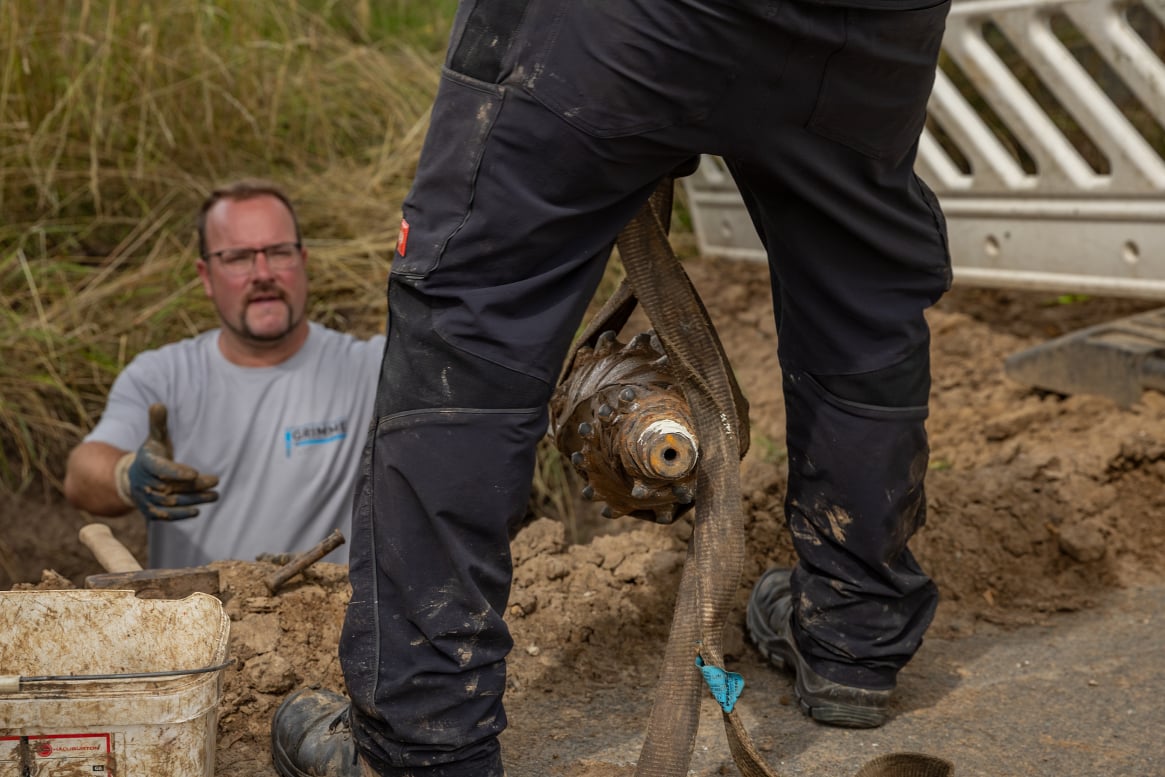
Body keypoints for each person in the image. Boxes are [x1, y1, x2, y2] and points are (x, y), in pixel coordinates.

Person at [271, 0, 952, 774]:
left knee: (474, 310)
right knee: (857, 284)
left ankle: (423, 737)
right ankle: (850, 635)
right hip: (866, 23)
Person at [64, 179, 384, 568]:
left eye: (279, 252)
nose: (262, 272)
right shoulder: (164, 376)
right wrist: (127, 475)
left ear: (304, 262)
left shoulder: (370, 370)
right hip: (196, 625)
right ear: (205, 276)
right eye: (237, 257)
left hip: (324, 625)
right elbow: (82, 474)